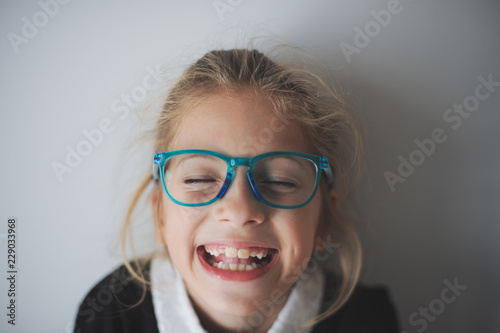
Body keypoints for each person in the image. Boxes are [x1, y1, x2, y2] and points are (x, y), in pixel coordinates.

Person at [74, 47, 400, 333]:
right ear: (159, 214)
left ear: (324, 221)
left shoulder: (366, 319)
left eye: (280, 182)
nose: (240, 210)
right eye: (200, 179)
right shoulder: (110, 313)